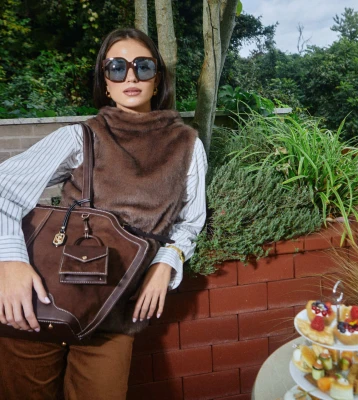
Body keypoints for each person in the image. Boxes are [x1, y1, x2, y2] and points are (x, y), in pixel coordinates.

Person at [0, 28, 207, 400]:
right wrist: (10, 261)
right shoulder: (81, 137)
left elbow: (189, 220)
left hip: (114, 311)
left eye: (143, 66)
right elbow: (4, 188)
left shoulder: (187, 146)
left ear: (158, 78)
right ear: (105, 83)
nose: (131, 76)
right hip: (40, 301)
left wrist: (167, 261)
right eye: (117, 68)